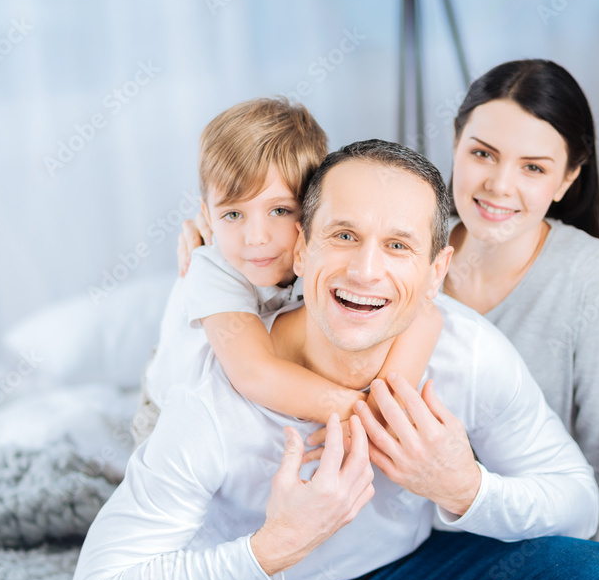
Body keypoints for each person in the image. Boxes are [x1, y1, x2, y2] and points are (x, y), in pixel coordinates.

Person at [66, 139, 599, 580]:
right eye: (344, 236)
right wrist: (271, 548)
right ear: (301, 249)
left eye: (398, 245)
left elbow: (577, 505)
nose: (366, 271)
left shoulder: (467, 353)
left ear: (436, 272)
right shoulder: (211, 393)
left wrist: (463, 487)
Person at [180, 60, 599, 555]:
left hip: (499, 505)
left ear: (567, 179)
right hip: (398, 521)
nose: (500, 185)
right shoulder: (398, 241)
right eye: (482, 154)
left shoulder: (588, 281)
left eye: (533, 167)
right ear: (456, 144)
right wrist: (224, 244)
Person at [133, 97, 441, 447]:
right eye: (233, 214)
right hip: (167, 407)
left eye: (279, 210)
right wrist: (367, 418)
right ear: (208, 214)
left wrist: (384, 409)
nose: (256, 237)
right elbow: (254, 373)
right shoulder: (212, 269)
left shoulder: (322, 252)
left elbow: (428, 315)